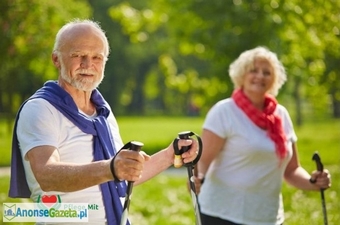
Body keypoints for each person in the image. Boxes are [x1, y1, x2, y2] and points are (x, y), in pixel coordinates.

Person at [9, 19, 199, 225]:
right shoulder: (41, 108)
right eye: (77, 55)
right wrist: (110, 169)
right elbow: (46, 175)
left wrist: (171, 154)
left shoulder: (103, 112)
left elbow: (123, 176)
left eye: (96, 57)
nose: (87, 65)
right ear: (56, 59)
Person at [195, 46, 331, 225]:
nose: (260, 76)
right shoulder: (224, 111)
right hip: (222, 213)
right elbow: (203, 160)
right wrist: (198, 178)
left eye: (266, 72)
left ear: (273, 79)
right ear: (241, 75)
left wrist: (313, 181)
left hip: (268, 216)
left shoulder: (281, 115)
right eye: (253, 70)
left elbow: (291, 170)